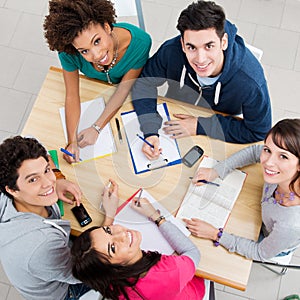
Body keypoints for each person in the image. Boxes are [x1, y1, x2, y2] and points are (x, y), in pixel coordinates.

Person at [132, 0, 271, 160]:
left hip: (218, 126)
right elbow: (143, 84)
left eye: (209, 46)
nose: (200, 59)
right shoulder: (171, 52)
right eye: (191, 47)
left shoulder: (251, 81)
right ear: (182, 44)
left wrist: (201, 125)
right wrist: (150, 129)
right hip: (177, 116)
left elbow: (258, 130)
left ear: (223, 42)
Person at [0, 136, 118, 300]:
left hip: (48, 264)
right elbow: (82, 272)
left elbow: (45, 155)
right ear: (12, 190)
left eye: (46, 170)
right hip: (61, 291)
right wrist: (109, 218)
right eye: (33, 179)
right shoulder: (42, 245)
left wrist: (59, 177)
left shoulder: (7, 193)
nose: (48, 183)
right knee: (119, 270)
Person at [44, 0, 151, 163]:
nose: (96, 55)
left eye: (97, 41)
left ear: (107, 27)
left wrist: (96, 128)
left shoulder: (140, 43)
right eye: (84, 51)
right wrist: (72, 141)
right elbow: (72, 96)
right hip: (95, 90)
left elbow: (123, 90)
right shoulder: (68, 53)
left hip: (126, 95)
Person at [184, 119, 300, 262]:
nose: (268, 162)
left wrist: (215, 234)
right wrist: (217, 171)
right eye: (267, 150)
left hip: (269, 238)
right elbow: (253, 152)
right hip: (260, 213)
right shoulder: (280, 172)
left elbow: (259, 253)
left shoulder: (291, 225)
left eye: (283, 156)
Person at [71, 193, 206, 300]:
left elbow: (98, 249)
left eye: (108, 230)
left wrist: (110, 215)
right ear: (114, 268)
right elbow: (192, 252)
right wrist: (156, 216)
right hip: (191, 288)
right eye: (113, 248)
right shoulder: (168, 271)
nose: (121, 234)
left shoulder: (105, 279)